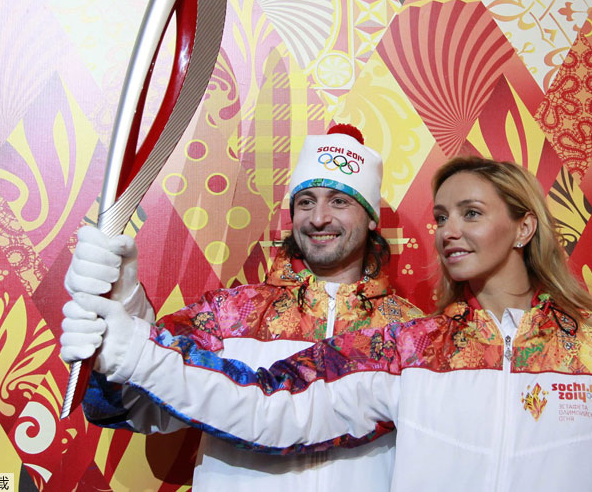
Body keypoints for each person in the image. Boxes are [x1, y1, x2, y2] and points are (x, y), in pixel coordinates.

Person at [67, 157, 592, 491]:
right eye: (441, 216)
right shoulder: (408, 348)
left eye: (470, 213)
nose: (450, 230)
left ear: (523, 227)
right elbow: (266, 406)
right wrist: (128, 319)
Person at [60, 124, 423, 491]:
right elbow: (130, 405)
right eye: (306, 201)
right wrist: (120, 303)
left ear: (371, 216)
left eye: (339, 201)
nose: (318, 218)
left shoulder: (413, 335)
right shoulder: (228, 314)